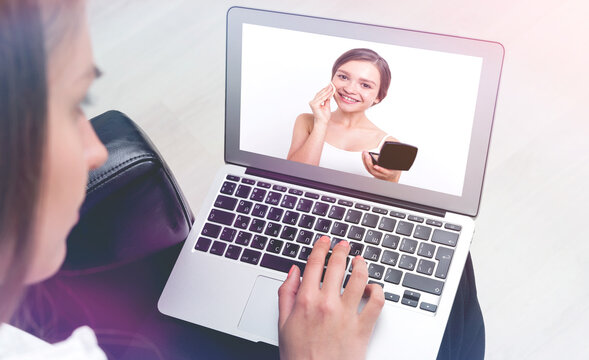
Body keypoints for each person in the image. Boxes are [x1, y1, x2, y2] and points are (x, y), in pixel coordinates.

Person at [0, 1, 384, 359]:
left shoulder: (384, 141)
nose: (98, 152)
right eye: (63, 109)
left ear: (378, 97)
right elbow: (296, 171)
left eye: (80, 103)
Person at [287, 48, 403, 183]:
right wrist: (321, 123)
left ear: (378, 96)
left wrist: (391, 178)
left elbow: (389, 196)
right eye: (343, 77)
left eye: (365, 85)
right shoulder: (307, 121)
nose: (349, 89)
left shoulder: (389, 145)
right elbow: (295, 178)